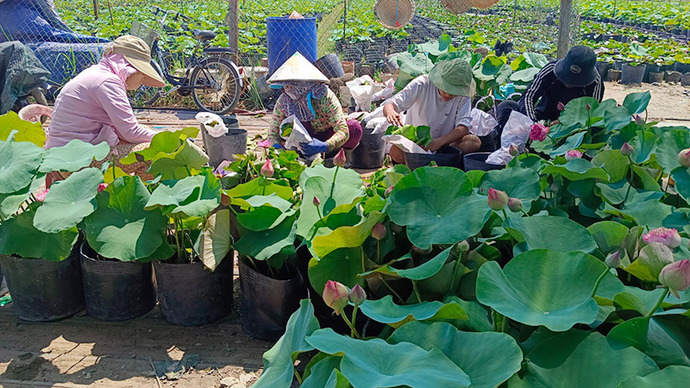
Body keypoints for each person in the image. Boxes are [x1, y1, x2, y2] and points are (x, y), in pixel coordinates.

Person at [44, 35, 165, 185]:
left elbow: (123, 131)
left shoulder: (96, 73)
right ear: (127, 66)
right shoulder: (108, 82)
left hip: (61, 153)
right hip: (76, 162)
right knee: (154, 152)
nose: (142, 80)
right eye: (141, 72)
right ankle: (141, 200)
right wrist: (172, 138)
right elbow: (130, 132)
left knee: (149, 136)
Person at [382, 58, 479, 163]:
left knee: (473, 142)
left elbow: (463, 127)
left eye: (453, 92)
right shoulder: (422, 84)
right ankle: (420, 167)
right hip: (417, 143)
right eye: (446, 89)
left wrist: (439, 142)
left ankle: (441, 165)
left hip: (446, 145)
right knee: (395, 151)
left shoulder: (464, 95)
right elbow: (390, 104)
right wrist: (390, 112)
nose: (448, 94)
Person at [267, 52, 362, 158]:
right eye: (286, 85)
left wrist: (325, 145)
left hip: (326, 137)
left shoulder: (324, 96)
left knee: (354, 128)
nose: (288, 88)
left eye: (294, 84)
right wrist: (275, 146)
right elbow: (272, 133)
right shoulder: (284, 101)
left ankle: (339, 156)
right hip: (299, 143)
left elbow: (342, 130)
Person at [495, 45, 605, 131]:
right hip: (542, 117)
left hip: (573, 128)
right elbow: (529, 96)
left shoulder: (595, 83)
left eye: (575, 82)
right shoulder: (550, 70)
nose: (568, 84)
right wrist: (535, 124)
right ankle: (496, 140)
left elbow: (591, 114)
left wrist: (564, 123)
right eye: (565, 78)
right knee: (507, 106)